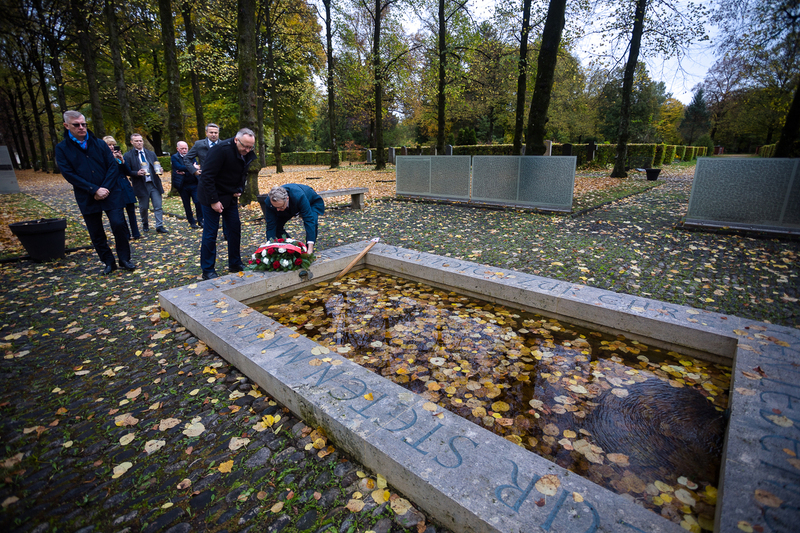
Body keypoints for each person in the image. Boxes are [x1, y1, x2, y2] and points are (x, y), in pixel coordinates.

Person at [54, 111, 135, 275]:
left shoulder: (99, 144)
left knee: (119, 224)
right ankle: (108, 261)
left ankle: (124, 258)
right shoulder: (62, 149)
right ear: (66, 126)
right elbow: (69, 173)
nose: (81, 127)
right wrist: (94, 189)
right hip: (87, 196)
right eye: (76, 125)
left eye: (83, 124)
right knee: (96, 231)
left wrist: (104, 187)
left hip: (111, 192)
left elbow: (112, 166)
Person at [198, 128, 257, 280]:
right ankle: (208, 269)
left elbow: (242, 173)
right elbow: (207, 177)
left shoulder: (246, 153)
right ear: (236, 140)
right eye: (245, 146)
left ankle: (235, 263)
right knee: (210, 233)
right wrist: (214, 201)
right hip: (211, 196)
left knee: (234, 228)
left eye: (251, 147)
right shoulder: (220, 150)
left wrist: (239, 189)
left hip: (230, 196)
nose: (247, 150)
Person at [124, 133, 168, 234]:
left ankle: (159, 226)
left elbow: (157, 165)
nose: (139, 143)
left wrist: (160, 170)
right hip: (140, 185)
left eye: (140, 141)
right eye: (136, 141)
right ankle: (145, 223)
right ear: (132, 142)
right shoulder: (128, 155)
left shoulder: (151, 153)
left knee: (158, 206)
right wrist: (136, 173)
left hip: (154, 184)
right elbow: (126, 170)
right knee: (144, 207)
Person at [264, 184, 325, 255]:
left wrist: (310, 250)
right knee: (277, 226)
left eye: (280, 207)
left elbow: (309, 220)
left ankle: (308, 249)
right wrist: (269, 247)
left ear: (287, 199)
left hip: (311, 202)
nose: (277, 210)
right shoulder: (269, 202)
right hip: (289, 208)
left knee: (313, 222)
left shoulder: (299, 196)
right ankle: (291, 247)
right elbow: (270, 225)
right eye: (275, 207)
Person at [102, 135, 141, 239]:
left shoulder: (119, 156)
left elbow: (128, 172)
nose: (111, 147)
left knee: (131, 211)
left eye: (113, 145)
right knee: (120, 214)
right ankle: (126, 235)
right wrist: (112, 159)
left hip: (125, 186)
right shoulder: (103, 158)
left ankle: (136, 233)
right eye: (109, 145)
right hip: (114, 187)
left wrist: (122, 161)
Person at [171, 141, 203, 229]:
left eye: (186, 148)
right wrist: (191, 168)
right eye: (182, 149)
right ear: (178, 149)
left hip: (194, 183)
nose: (184, 150)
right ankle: (191, 221)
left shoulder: (192, 156)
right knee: (186, 204)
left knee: (198, 202)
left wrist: (186, 170)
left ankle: (200, 220)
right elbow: (178, 167)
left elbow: (196, 167)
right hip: (182, 185)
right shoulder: (174, 157)